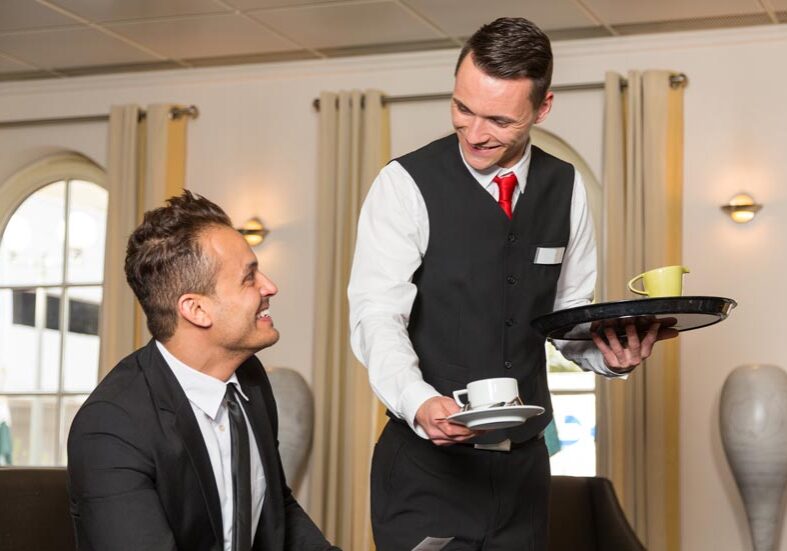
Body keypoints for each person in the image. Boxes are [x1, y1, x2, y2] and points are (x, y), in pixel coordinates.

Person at [348, 17, 676, 550]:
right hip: (427, 475)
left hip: (524, 475)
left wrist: (608, 357)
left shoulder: (565, 188)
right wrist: (417, 400)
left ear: (542, 108)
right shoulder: (403, 184)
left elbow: (568, 316)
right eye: (462, 108)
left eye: (499, 119)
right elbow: (376, 314)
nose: (475, 134)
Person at [68, 191, 339, 551]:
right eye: (249, 277)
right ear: (196, 310)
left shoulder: (251, 379)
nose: (270, 286)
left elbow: (278, 508)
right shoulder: (111, 428)